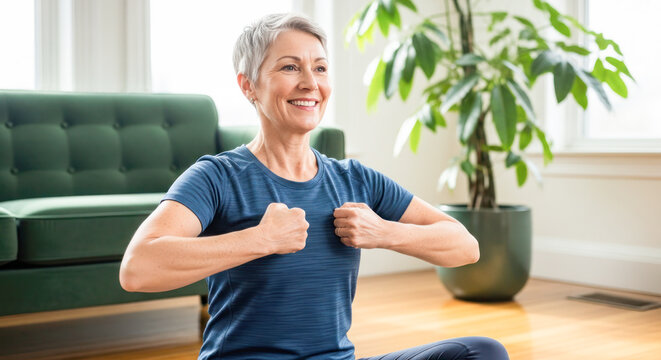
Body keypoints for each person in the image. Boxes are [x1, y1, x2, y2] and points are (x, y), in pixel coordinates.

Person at [119, 13, 509, 360]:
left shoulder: (355, 179)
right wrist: (261, 239)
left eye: (320, 69)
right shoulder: (217, 176)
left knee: (483, 352)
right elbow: (138, 269)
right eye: (290, 68)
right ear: (248, 85)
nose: (310, 83)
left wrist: (384, 231)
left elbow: (465, 247)